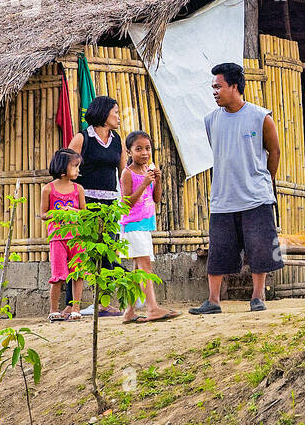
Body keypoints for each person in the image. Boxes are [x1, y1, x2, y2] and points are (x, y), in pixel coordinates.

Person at [188, 62, 283, 315]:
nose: (215, 91)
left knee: (260, 248)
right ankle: (213, 301)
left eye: (218, 86)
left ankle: (258, 296)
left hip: (256, 196)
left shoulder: (260, 116)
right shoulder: (211, 120)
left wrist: (264, 180)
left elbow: (274, 151)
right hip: (223, 197)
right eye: (213, 87)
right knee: (218, 250)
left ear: (234, 86)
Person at [68, 95, 127, 315]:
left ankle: (103, 304)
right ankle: (71, 305)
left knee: (108, 252)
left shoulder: (117, 140)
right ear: (104, 115)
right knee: (81, 252)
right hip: (86, 204)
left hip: (110, 204)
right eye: (116, 112)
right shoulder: (83, 138)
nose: (119, 117)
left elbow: (123, 173)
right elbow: (66, 168)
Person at [119, 130, 179, 323]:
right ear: (129, 152)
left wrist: (157, 180)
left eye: (147, 148)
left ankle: (129, 312)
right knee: (145, 266)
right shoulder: (127, 174)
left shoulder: (149, 170)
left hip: (145, 226)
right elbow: (126, 203)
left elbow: (157, 198)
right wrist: (144, 184)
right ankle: (152, 308)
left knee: (138, 270)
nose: (144, 153)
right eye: (138, 149)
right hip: (132, 226)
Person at [40, 148, 85, 321]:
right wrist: (58, 214)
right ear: (63, 167)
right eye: (75, 166)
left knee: (78, 273)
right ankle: (54, 310)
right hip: (57, 237)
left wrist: (72, 211)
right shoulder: (48, 189)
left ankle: (75, 308)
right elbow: (44, 214)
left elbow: (83, 212)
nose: (78, 170)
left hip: (76, 237)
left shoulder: (78, 189)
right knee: (58, 274)